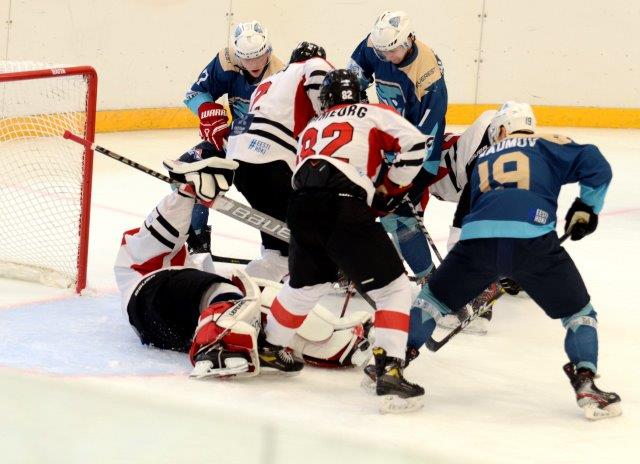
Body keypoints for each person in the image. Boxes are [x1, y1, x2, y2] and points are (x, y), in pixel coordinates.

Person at [402, 102, 621, 420]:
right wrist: (587, 207)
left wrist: (493, 267)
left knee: (430, 301)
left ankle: (392, 366)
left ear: (501, 128)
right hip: (533, 239)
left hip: (477, 242)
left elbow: (473, 214)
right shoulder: (548, 144)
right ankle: (586, 383)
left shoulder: (484, 157)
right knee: (579, 314)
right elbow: (597, 165)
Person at [114, 156, 373, 380]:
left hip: (170, 329)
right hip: (150, 296)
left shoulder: (182, 269)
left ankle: (329, 342)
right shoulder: (137, 255)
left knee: (257, 301)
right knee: (228, 291)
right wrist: (186, 192)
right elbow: (167, 226)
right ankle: (217, 341)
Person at [262, 69, 429, 414]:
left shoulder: (312, 125)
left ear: (325, 100)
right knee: (393, 289)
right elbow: (415, 144)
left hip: (300, 206)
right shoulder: (371, 111)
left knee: (304, 286)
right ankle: (390, 371)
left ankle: (270, 347)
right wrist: (390, 189)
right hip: (342, 204)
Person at [347, 10, 448, 282]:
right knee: (364, 202)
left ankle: (429, 280)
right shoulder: (375, 44)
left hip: (420, 152)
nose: (388, 57)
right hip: (387, 145)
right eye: (383, 53)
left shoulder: (428, 73)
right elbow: (351, 80)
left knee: (397, 214)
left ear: (409, 40)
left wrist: (402, 166)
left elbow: (425, 132)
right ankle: (363, 266)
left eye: (393, 51)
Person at [226, 41, 333, 281]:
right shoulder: (313, 64)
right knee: (304, 213)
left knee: (272, 220)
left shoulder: (268, 81)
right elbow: (320, 86)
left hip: (239, 157)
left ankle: (269, 267)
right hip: (274, 157)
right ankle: (302, 267)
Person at [179, 20, 284, 258]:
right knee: (189, 172)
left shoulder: (280, 76)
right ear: (238, 55)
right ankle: (197, 244)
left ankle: (278, 252)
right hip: (233, 143)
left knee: (269, 200)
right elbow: (194, 93)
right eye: (247, 58)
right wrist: (207, 111)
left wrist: (232, 131)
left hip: (267, 151)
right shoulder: (226, 61)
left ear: (269, 51)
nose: (254, 65)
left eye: (259, 57)